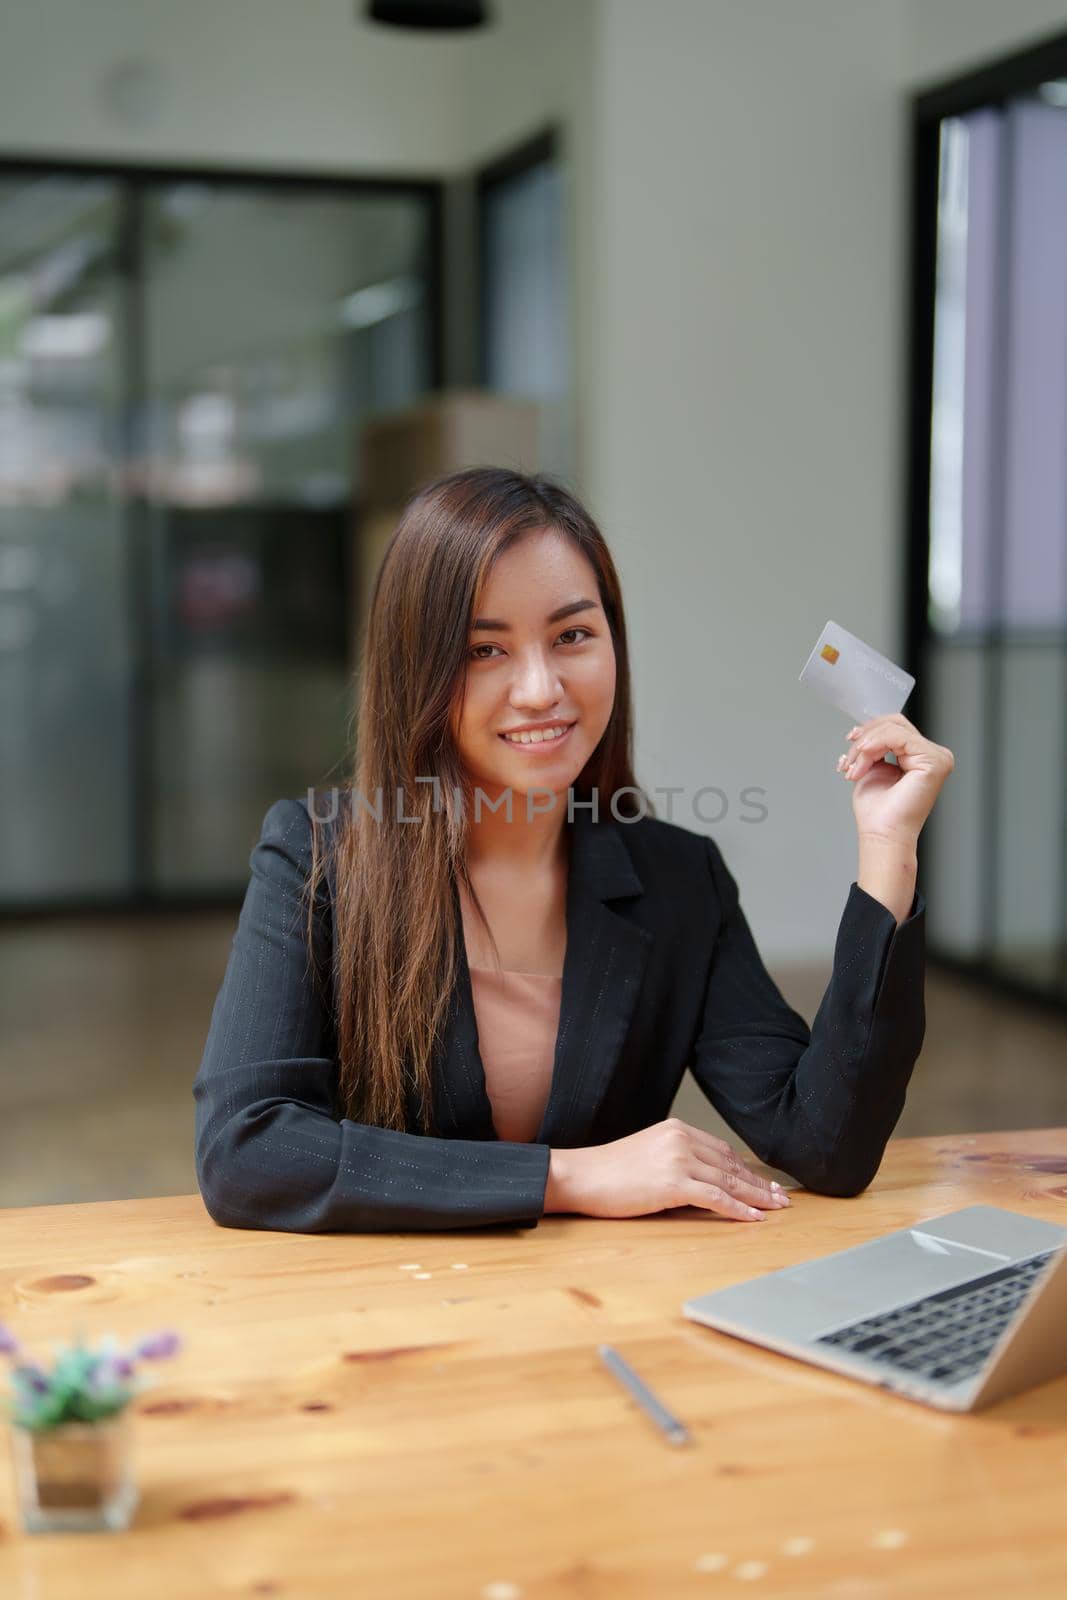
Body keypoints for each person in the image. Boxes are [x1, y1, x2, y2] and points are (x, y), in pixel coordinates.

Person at [193, 467, 954, 1234]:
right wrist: (566, 1177)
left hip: (594, 1311)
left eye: (572, 637)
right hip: (388, 1317)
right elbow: (246, 1151)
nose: (538, 689)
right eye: (483, 651)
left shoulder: (678, 879)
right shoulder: (317, 855)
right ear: (415, 671)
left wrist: (887, 850)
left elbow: (825, 1142)